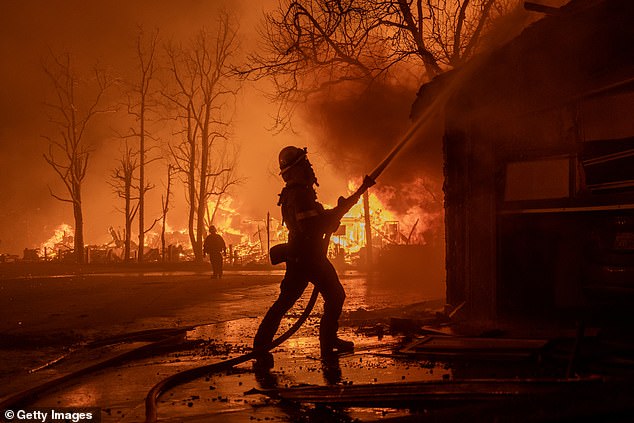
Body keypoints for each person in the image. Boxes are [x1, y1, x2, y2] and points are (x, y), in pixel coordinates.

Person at [253, 146, 374, 360]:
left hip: (304, 255)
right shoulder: (299, 193)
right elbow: (311, 227)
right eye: (305, 163)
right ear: (297, 168)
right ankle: (324, 342)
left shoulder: (299, 191)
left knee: (289, 301)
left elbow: (317, 220)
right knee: (333, 296)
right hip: (307, 257)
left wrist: (343, 207)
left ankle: (262, 346)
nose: (310, 167)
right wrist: (332, 218)